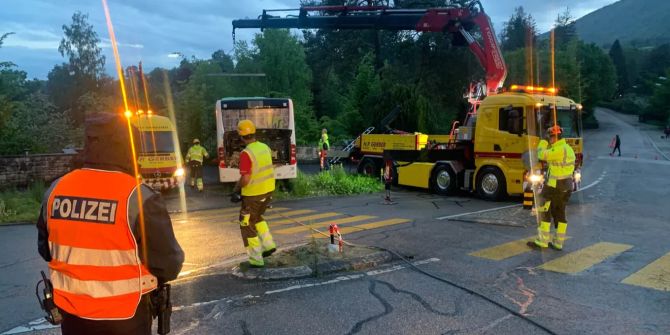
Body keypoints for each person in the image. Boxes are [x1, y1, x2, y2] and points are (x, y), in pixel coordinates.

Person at [37, 113, 184, 335]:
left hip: (72, 316)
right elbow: (168, 265)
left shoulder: (55, 190)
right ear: (129, 147)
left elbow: (45, 250)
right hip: (126, 317)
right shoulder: (139, 197)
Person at [231, 120, 277, 268]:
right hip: (268, 191)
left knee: (246, 223)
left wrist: (236, 190)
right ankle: (269, 245)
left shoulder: (246, 153)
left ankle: (256, 258)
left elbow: (245, 178)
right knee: (257, 217)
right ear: (254, 133)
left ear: (241, 136)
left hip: (253, 195)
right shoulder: (265, 147)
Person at [528, 125, 576, 251]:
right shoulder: (567, 149)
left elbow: (542, 155)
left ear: (555, 137)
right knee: (559, 214)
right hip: (566, 187)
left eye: (549, 137)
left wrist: (542, 141)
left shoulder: (559, 150)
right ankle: (558, 243)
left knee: (544, 210)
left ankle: (542, 241)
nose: (549, 140)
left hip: (555, 187)